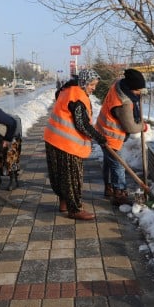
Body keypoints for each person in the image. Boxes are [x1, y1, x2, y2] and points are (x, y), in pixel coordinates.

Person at [43, 69, 107, 220]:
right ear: (83, 83)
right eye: (91, 84)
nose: (93, 88)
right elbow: (82, 125)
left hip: (53, 139)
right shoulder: (77, 96)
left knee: (60, 175)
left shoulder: (66, 90)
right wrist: (100, 138)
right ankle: (75, 209)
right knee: (73, 177)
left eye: (95, 85)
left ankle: (64, 202)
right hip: (67, 144)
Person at [95, 68, 148, 206]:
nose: (139, 93)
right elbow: (130, 127)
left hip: (101, 129)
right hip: (110, 135)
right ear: (131, 88)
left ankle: (109, 187)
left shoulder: (119, 85)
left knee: (109, 161)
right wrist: (143, 126)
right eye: (138, 90)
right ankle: (120, 193)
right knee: (118, 164)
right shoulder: (124, 102)